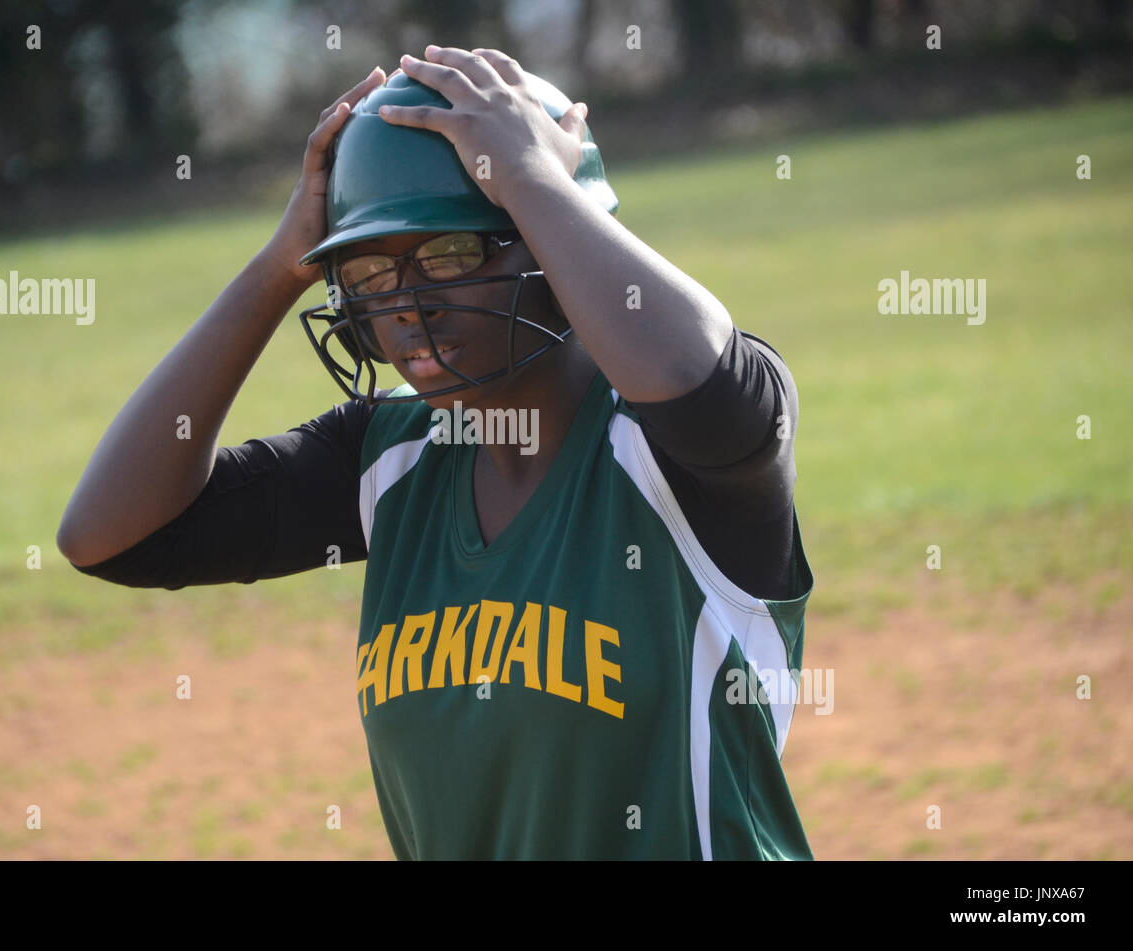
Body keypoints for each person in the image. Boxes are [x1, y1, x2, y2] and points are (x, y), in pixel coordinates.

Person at [57, 45, 815, 860]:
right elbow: (110, 535)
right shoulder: (391, 458)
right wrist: (283, 263)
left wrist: (529, 179)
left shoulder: (676, 451)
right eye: (371, 272)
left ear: (553, 238)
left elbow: (699, 380)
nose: (408, 306)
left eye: (451, 255)